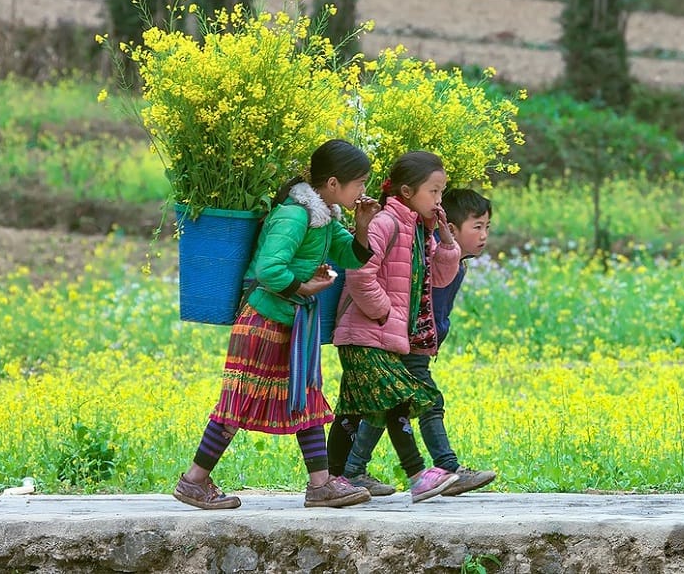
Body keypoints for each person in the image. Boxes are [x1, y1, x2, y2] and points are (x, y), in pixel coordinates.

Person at [173, 139, 381, 510]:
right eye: (359, 183)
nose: (362, 190)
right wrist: (303, 286)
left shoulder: (326, 218)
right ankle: (194, 481)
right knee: (239, 402)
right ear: (333, 184)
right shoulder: (295, 215)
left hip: (289, 323)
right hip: (264, 322)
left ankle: (320, 485)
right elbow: (270, 269)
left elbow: (351, 255)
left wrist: (363, 226)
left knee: (306, 398)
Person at [331, 188, 497, 498]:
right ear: (451, 227)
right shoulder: (425, 254)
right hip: (405, 343)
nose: (484, 235)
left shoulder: (454, 262)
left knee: (381, 409)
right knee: (428, 402)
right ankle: (447, 468)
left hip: (418, 344)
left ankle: (353, 469)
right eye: (477, 227)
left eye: (487, 227)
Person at [327, 150, 462, 503]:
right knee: (396, 400)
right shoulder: (386, 223)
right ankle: (418, 475)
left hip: (382, 336)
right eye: (433, 191)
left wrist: (447, 242)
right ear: (406, 191)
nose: (438, 199)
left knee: (353, 409)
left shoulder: (421, 229)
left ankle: (330, 479)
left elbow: (441, 278)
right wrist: (386, 314)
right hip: (364, 333)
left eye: (441, 192)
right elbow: (359, 274)